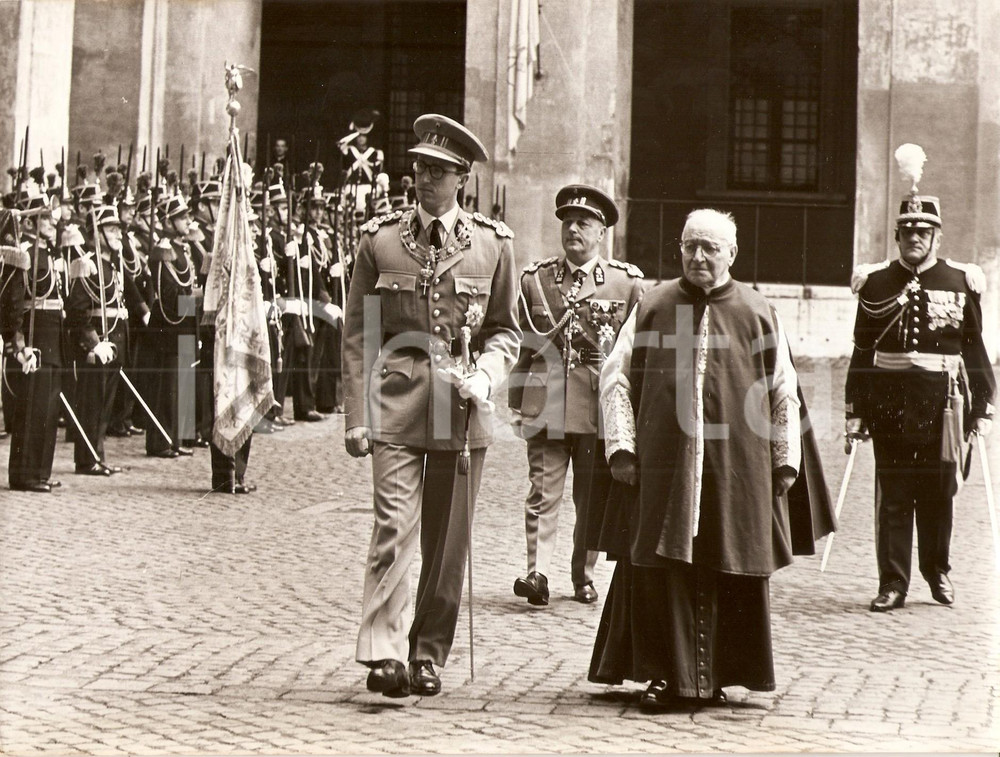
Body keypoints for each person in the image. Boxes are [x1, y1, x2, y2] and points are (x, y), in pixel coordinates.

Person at [589, 208, 832, 710]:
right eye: (690, 246)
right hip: (662, 462)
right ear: (679, 249)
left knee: (728, 559)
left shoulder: (757, 310)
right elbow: (615, 379)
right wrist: (622, 448)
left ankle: (717, 674)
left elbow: (783, 390)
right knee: (660, 564)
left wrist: (784, 460)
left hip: (736, 464)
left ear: (732, 254)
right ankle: (662, 675)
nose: (698, 256)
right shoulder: (653, 305)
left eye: (710, 248)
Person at [343, 114, 521, 699]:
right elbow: (359, 335)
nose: (424, 180)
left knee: (447, 542)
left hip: (460, 406)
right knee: (394, 526)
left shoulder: (493, 245)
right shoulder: (380, 240)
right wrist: (356, 415)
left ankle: (427, 653)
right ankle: (384, 653)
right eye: (419, 167)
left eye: (439, 171)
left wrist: (488, 374)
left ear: (462, 180)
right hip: (395, 401)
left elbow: (504, 331)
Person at [845, 154, 995, 612]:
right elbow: (862, 350)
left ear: (936, 236)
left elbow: (973, 348)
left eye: (923, 232)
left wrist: (983, 405)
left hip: (941, 405)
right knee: (892, 495)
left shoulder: (960, 280)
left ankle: (938, 573)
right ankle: (892, 582)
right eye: (907, 232)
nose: (915, 238)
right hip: (888, 403)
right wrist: (855, 410)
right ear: (897, 236)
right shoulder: (874, 283)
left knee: (937, 494)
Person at [508, 185, 644, 606]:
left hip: (595, 411)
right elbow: (520, 346)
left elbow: (638, 351)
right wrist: (516, 402)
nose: (573, 229)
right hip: (545, 405)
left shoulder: (626, 283)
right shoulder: (536, 279)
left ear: (601, 232)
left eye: (584, 223)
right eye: (567, 221)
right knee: (542, 492)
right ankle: (537, 573)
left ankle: (582, 576)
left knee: (591, 499)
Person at [65, 204, 148, 475]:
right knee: (92, 401)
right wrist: (92, 342)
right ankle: (87, 459)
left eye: (117, 228)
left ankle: (96, 455)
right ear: (97, 232)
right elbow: (77, 310)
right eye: (111, 228)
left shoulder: (112, 264)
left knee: (105, 403)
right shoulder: (86, 263)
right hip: (98, 343)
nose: (117, 233)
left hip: (115, 339)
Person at [1, 199, 63, 492]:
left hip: (51, 339)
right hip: (33, 340)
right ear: (29, 223)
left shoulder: (47, 253)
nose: (52, 224)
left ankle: (40, 471)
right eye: (46, 220)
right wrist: (18, 343)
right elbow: (12, 303)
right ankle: (24, 475)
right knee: (31, 410)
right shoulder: (23, 254)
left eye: (52, 220)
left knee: (47, 410)